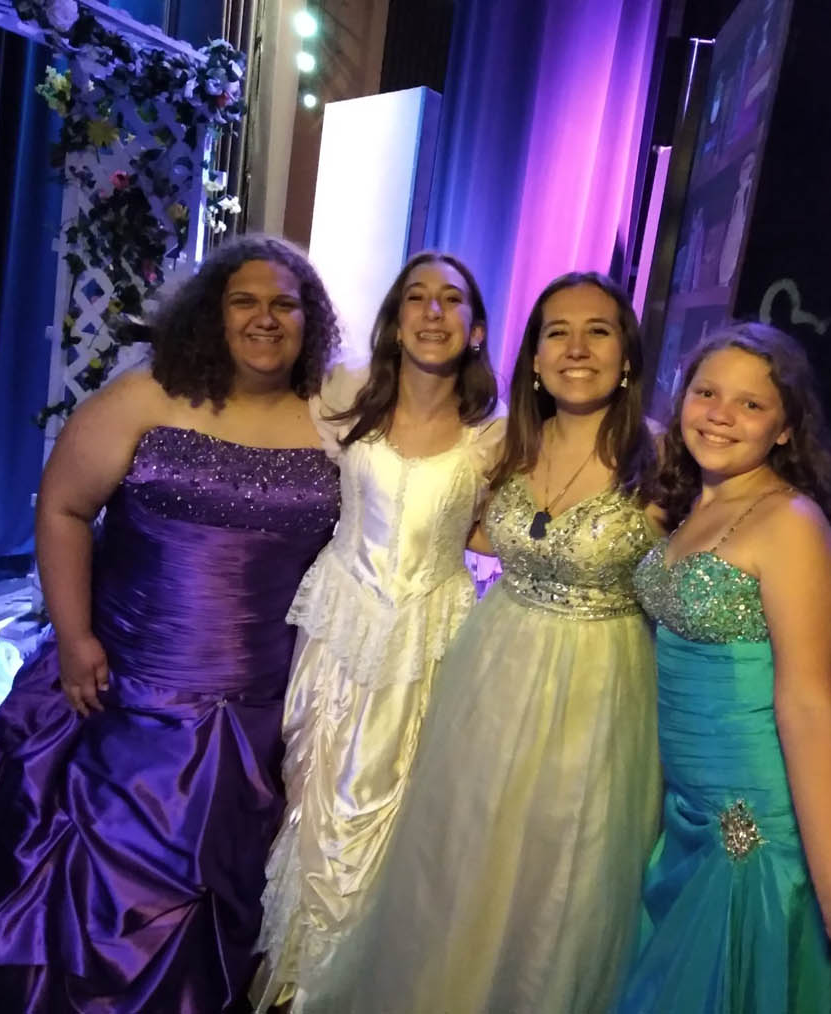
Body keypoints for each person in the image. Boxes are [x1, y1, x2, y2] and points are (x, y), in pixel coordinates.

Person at [0, 236, 343, 1012]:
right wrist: (75, 637)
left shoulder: (333, 421)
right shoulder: (147, 397)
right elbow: (63, 509)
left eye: (284, 305)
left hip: (265, 711)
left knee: (232, 892)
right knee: (92, 891)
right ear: (211, 314)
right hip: (120, 696)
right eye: (244, 301)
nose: (265, 318)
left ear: (309, 321)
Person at [341, 271, 664, 1013]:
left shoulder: (661, 459)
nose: (576, 348)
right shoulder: (508, 447)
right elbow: (445, 522)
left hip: (600, 687)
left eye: (598, 332)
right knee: (468, 853)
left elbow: (729, 538)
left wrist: (794, 598)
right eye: (557, 333)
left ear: (626, 358)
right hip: (494, 671)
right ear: (535, 359)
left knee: (566, 868)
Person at [612, 324, 831, 1012]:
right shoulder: (698, 503)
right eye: (706, 393)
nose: (721, 414)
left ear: (786, 428)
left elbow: (808, 707)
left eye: (751, 404)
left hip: (759, 821)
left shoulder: (790, 521)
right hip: (694, 813)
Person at [250, 251, 504, 1012]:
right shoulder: (341, 400)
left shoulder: (494, 437)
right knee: (317, 805)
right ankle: (299, 987)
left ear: (476, 328)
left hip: (433, 642)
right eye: (416, 297)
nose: (433, 312)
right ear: (395, 322)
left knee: (406, 815)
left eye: (451, 299)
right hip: (339, 634)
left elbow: (509, 527)